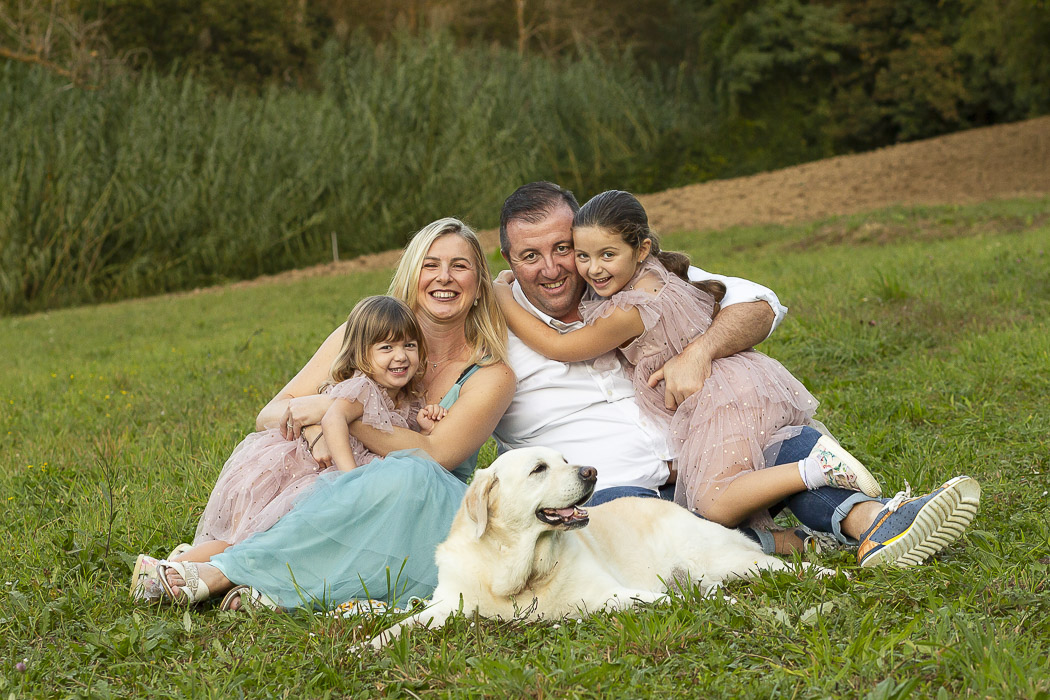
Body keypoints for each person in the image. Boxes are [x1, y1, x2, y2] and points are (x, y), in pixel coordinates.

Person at [493, 182, 980, 567]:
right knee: (637, 519)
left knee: (780, 445)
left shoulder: (630, 277)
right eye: (529, 256)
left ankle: (879, 524)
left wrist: (700, 352)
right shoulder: (491, 336)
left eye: (564, 248)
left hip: (706, 443)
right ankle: (779, 542)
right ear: (509, 262)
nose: (556, 268)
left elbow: (760, 303)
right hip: (620, 489)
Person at [151, 218, 515, 608]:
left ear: (479, 285)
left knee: (408, 471)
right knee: (321, 493)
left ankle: (225, 571)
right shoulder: (360, 334)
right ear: (412, 275)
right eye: (430, 264)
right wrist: (317, 430)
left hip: (426, 511)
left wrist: (337, 412)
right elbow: (272, 412)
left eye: (460, 266)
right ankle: (264, 589)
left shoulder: (492, 375)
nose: (444, 277)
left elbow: (434, 453)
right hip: (350, 495)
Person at [130, 294, 446, 602]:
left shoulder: (405, 397)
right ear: (362, 355)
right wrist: (352, 478)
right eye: (386, 348)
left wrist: (425, 420)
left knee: (261, 537)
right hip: (309, 469)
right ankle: (166, 570)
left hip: (328, 466)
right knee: (251, 536)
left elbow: (403, 437)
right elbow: (334, 419)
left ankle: (194, 570)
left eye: (409, 345)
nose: (401, 355)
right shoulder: (362, 388)